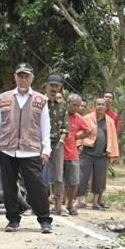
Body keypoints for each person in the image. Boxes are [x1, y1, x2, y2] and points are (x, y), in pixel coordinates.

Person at [0, 62, 53, 233]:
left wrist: (46, 149)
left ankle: (45, 219)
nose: (23, 79)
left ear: (32, 78)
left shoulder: (41, 100)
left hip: (30, 149)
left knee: (36, 187)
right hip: (7, 149)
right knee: (9, 187)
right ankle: (13, 220)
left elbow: (45, 126)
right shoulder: (4, 98)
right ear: (15, 77)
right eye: (20, 76)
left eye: (26, 76)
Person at [77, 97, 119, 210]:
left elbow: (113, 137)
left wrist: (114, 153)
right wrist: (79, 144)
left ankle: (95, 203)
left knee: (99, 179)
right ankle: (78, 201)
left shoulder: (109, 121)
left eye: (102, 104)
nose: (100, 106)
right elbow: (80, 132)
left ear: (106, 107)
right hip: (87, 152)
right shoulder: (87, 118)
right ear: (94, 106)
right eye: (98, 104)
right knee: (82, 177)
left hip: (102, 154)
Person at [43, 74, 68, 215]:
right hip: (41, 143)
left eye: (56, 86)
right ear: (46, 86)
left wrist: (61, 141)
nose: (53, 88)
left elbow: (66, 127)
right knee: (41, 175)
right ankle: (40, 205)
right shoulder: (39, 103)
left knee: (58, 175)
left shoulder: (63, 105)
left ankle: (58, 207)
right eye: (51, 85)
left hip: (58, 142)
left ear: (60, 87)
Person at [63, 94, 91, 215]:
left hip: (72, 154)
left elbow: (88, 131)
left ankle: (70, 203)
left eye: (78, 106)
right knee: (57, 180)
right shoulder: (60, 115)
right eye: (74, 105)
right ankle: (60, 204)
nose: (76, 108)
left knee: (73, 181)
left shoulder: (79, 118)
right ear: (67, 103)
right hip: (58, 153)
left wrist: (76, 137)